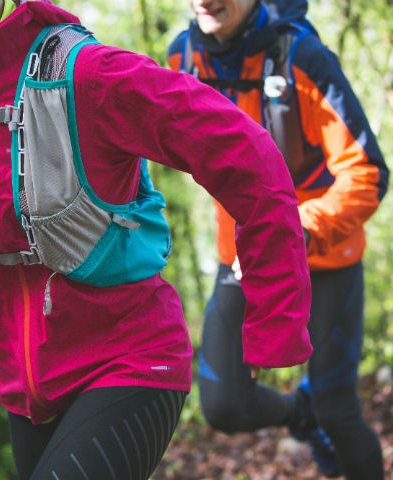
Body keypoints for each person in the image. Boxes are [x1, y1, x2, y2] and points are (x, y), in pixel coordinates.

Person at [0, 1, 314, 478]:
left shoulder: (90, 76)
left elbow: (248, 158)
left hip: (132, 363)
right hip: (22, 391)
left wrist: (273, 319)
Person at [168, 0, 388, 478]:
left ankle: (324, 416)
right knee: (224, 405)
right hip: (240, 261)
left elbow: (368, 174)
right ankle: (300, 413)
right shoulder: (181, 60)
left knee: (338, 408)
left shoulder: (303, 57)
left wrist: (295, 232)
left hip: (322, 258)